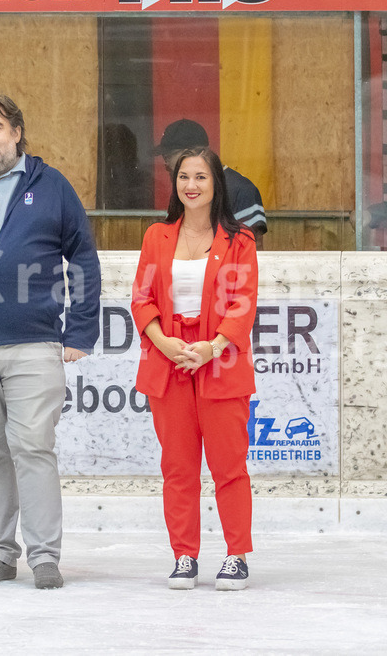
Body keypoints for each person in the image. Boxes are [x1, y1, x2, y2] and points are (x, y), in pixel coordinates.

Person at [0, 94, 102, 590]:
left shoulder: (50, 186)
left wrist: (82, 329)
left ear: (17, 133)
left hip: (34, 344)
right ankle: (0, 553)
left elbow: (83, 259)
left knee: (32, 446)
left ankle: (44, 555)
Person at [131, 147, 258, 591]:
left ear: (215, 183)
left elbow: (243, 304)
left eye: (201, 177)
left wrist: (212, 346)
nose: (191, 185)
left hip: (219, 363)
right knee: (179, 469)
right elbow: (141, 298)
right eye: (184, 176)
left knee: (229, 467)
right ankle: (184, 555)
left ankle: (236, 555)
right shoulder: (156, 237)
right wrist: (165, 343)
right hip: (168, 365)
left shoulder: (239, 241)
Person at [155, 119, 267, 249]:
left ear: (193, 152)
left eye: (168, 156)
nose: (166, 164)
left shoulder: (241, 189)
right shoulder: (185, 188)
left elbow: (253, 250)